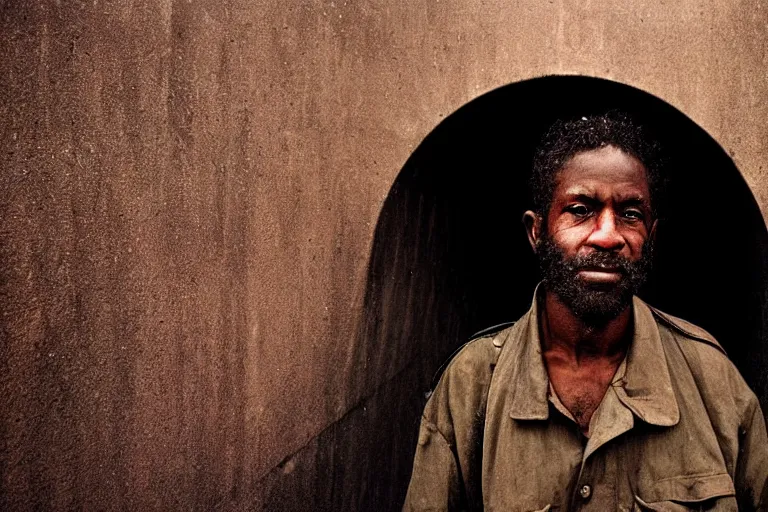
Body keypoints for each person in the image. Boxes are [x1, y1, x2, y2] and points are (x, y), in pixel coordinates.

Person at [402, 112, 768, 511]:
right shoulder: (471, 385)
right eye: (580, 209)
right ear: (536, 232)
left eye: (631, 214)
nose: (608, 235)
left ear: (652, 236)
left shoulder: (713, 381)